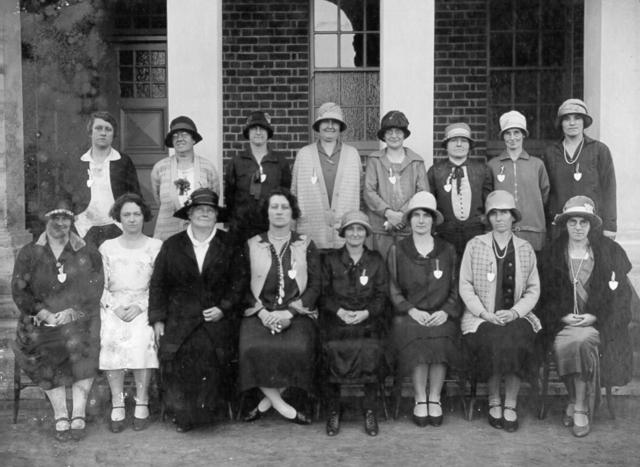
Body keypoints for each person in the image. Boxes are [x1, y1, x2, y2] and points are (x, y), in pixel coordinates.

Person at [148, 188, 242, 432]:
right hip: (179, 319)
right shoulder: (172, 245)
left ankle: (208, 414)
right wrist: (158, 320)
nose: (204, 214)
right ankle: (183, 415)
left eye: (209, 210)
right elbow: (158, 284)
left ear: (216, 215)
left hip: (216, 319)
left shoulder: (230, 244)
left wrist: (223, 308)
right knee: (180, 355)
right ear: (189, 214)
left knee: (208, 353)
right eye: (199, 209)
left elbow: (239, 283)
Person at [539, 196, 633, 437]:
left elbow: (622, 299)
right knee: (566, 343)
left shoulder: (609, 253)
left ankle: (578, 405)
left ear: (591, 225)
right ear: (565, 225)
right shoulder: (552, 254)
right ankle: (577, 401)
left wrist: (594, 318)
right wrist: (562, 317)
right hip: (563, 324)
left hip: (595, 326)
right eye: (573, 222)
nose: (578, 227)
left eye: (583, 222)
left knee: (580, 342)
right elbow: (543, 297)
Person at [11, 200, 104, 441]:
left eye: (66, 218)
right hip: (42, 321)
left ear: (73, 221)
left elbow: (96, 287)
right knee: (45, 346)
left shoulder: (87, 251)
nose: (60, 223)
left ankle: (79, 413)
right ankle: (61, 414)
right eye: (55, 217)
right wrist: (44, 313)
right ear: (45, 220)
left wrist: (74, 311)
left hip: (79, 319)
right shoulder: (29, 253)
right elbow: (20, 290)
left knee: (84, 343)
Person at [459, 190, 541, 433]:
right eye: (494, 213)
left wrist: (515, 312)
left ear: (513, 216)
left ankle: (511, 403)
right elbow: (465, 285)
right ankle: (494, 399)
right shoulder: (475, 245)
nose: (499, 218)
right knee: (494, 339)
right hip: (482, 317)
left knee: (516, 338)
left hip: (517, 316)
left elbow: (533, 290)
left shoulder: (525, 248)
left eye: (504, 212)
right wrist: (485, 314)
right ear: (488, 217)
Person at [239, 188, 321, 425]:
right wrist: (263, 314)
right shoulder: (252, 244)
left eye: (284, 207)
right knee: (251, 348)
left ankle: (266, 402)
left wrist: (290, 312)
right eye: (274, 207)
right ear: (266, 212)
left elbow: (316, 285)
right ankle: (283, 407)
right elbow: (242, 285)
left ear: (292, 212)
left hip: (297, 313)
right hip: (259, 312)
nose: (279, 211)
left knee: (300, 347)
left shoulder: (305, 244)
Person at [387, 191, 461, 428]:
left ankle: (434, 397)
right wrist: (410, 310)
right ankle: (420, 397)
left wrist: (446, 311)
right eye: (416, 215)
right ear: (409, 220)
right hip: (409, 316)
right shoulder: (398, 250)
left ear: (433, 220)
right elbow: (393, 287)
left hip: (441, 314)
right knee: (417, 336)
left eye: (426, 216)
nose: (421, 220)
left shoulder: (447, 249)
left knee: (441, 336)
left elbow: (456, 285)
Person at [320, 211, 389, 437]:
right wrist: (339, 311)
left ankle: (369, 410)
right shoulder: (330, 260)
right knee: (330, 349)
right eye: (351, 229)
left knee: (371, 349)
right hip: (337, 320)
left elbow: (381, 295)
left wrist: (365, 313)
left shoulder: (376, 260)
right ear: (343, 233)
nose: (356, 233)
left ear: (367, 233)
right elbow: (324, 293)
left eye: (360, 229)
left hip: (367, 321)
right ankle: (333, 410)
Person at [98, 193, 162, 433]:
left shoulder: (155, 246)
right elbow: (100, 284)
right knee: (110, 338)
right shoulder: (107, 247)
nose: (132, 219)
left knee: (142, 338)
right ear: (119, 217)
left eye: (136, 214)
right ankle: (117, 401)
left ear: (144, 216)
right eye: (127, 214)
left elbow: (158, 284)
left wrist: (141, 306)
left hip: (143, 304)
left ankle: (142, 401)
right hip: (113, 304)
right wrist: (114, 306)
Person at [62, 111, 141, 247]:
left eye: (108, 129)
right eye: (98, 128)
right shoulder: (76, 162)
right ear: (90, 132)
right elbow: (65, 195)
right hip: (83, 228)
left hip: (116, 227)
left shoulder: (123, 161)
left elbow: (135, 197)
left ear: (113, 134)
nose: (103, 133)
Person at [291, 102, 362, 251]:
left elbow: (360, 193)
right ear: (318, 126)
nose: (330, 126)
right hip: (311, 236)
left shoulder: (352, 154)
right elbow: (294, 193)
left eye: (335, 122)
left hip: (344, 237)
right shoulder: (304, 154)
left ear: (340, 127)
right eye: (326, 122)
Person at [544, 99, 617, 239]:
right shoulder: (551, 152)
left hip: (592, 226)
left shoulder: (599, 150)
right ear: (561, 123)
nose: (572, 123)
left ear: (584, 122)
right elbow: (547, 193)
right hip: (560, 227)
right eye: (567, 119)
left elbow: (609, 189)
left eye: (577, 118)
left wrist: (610, 226)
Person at [364, 110, 429, 258]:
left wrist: (401, 216)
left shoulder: (416, 162)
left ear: (404, 134)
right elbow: (369, 191)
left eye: (398, 131)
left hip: (407, 228)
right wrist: (388, 213)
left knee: (406, 272)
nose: (394, 136)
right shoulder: (374, 160)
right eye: (389, 132)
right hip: (380, 228)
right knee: (380, 270)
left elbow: (422, 193)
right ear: (383, 135)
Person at [224, 111, 291, 246]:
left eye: (262, 129)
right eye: (254, 129)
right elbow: (229, 196)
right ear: (248, 133)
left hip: (271, 225)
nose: (258, 132)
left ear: (268, 134)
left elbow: (286, 193)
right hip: (241, 228)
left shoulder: (280, 162)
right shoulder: (236, 162)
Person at [428, 122, 493, 259]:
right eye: (453, 141)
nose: (459, 144)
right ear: (446, 145)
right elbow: (430, 205)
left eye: (463, 141)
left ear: (469, 145)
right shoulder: (435, 171)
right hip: (445, 233)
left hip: (475, 231)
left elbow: (489, 202)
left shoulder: (482, 170)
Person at [488, 111, 550, 252]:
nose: (512, 138)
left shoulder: (537, 164)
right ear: (503, 136)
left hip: (532, 232)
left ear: (523, 135)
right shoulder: (493, 165)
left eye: (516, 132)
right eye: (507, 133)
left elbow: (545, 196)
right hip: (502, 231)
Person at [151, 116, 221, 241]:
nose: (179, 138)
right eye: (175, 135)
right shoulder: (160, 168)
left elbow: (213, 199)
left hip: (200, 234)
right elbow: (158, 199)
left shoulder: (208, 168)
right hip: (167, 233)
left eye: (184, 134)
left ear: (193, 140)